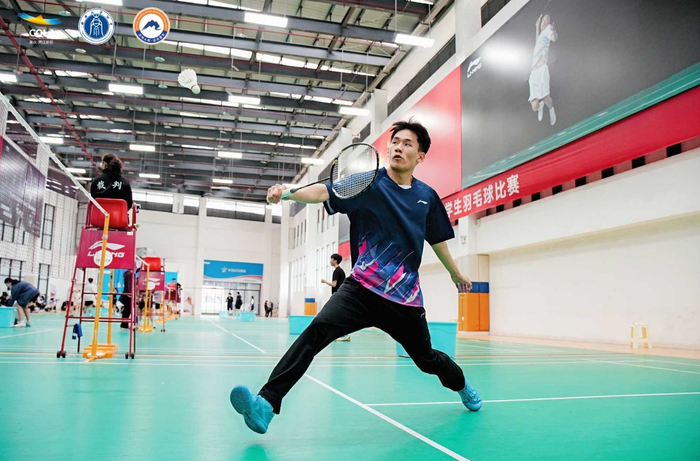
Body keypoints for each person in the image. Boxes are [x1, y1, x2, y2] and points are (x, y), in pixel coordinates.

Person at [229, 120, 481, 435]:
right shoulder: (367, 183)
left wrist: (455, 272)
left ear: (420, 156)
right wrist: (289, 193)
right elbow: (324, 191)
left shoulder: (426, 197)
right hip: (360, 290)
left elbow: (437, 239)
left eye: (407, 144)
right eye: (395, 142)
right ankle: (265, 405)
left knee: (427, 360)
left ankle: (462, 384)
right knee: (315, 333)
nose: (398, 147)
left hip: (404, 300)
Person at [528, 13, 558, 126]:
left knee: (546, 98)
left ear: (549, 22)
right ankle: (540, 106)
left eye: (547, 19)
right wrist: (537, 26)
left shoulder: (548, 29)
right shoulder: (541, 35)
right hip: (533, 73)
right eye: (543, 19)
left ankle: (551, 109)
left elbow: (554, 38)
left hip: (542, 70)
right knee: (534, 106)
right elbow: (537, 42)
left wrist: (554, 32)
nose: (544, 21)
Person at [322, 253, 349, 341]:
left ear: (335, 260)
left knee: (339, 315)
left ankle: (345, 335)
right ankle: (341, 334)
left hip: (338, 296)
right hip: (340, 295)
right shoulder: (341, 271)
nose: (330, 261)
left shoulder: (337, 271)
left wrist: (325, 281)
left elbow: (334, 284)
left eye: (331, 259)